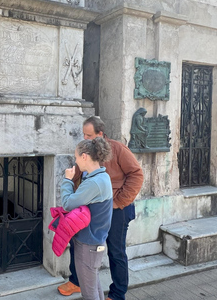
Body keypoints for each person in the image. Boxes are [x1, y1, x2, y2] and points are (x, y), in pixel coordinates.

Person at [58, 116, 144, 300]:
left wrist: (118, 201)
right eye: (83, 134)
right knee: (78, 245)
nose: (85, 138)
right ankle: (76, 281)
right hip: (93, 210)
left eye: (89, 135)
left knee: (116, 251)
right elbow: (79, 175)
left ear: (100, 134)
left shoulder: (118, 149)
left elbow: (137, 175)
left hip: (118, 209)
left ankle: (117, 294)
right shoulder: (86, 151)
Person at [61, 137, 113, 300]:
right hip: (94, 242)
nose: (75, 162)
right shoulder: (100, 178)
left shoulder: (94, 183)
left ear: (84, 156)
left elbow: (67, 204)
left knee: (89, 292)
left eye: (76, 157)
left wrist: (67, 180)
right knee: (94, 286)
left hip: (88, 244)